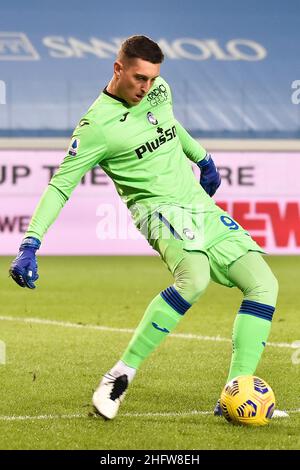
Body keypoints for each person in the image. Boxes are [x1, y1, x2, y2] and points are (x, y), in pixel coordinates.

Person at [9, 35, 279, 420]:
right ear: (118, 69)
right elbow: (60, 186)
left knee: (264, 284)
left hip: (197, 204)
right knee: (194, 278)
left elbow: (168, 124)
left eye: (153, 79)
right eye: (139, 78)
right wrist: (31, 243)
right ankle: (119, 375)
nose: (146, 87)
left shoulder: (158, 90)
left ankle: (235, 393)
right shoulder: (96, 127)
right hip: (157, 211)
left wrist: (202, 158)